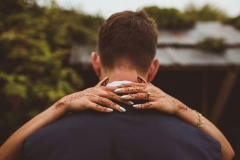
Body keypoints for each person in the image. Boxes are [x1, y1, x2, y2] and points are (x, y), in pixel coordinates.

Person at [0, 10, 234, 160]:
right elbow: (227, 153)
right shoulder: (197, 144)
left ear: (95, 61)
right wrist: (181, 108)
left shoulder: (44, 141)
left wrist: (60, 106)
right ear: (153, 68)